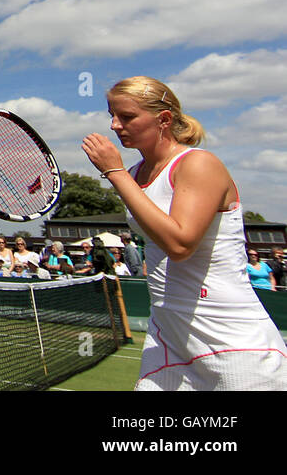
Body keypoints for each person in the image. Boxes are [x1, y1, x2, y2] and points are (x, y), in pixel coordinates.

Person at [83, 75, 287, 390]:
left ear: (163, 119)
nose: (114, 125)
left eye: (126, 116)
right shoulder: (136, 175)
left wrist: (114, 172)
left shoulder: (198, 164)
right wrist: (123, 175)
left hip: (230, 336)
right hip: (168, 334)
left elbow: (180, 244)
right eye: (111, 115)